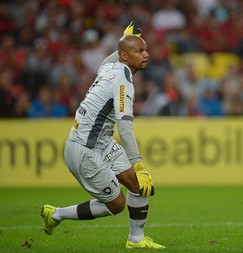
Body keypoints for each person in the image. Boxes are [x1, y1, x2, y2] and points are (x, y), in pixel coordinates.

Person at [40, 22, 165, 249]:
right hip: (84, 150)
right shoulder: (122, 80)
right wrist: (139, 165)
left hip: (102, 143)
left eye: (146, 49)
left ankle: (136, 240)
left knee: (139, 186)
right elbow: (125, 129)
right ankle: (56, 214)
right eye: (140, 50)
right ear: (125, 56)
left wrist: (123, 39)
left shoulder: (110, 67)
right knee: (116, 205)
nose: (146, 54)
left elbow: (112, 57)